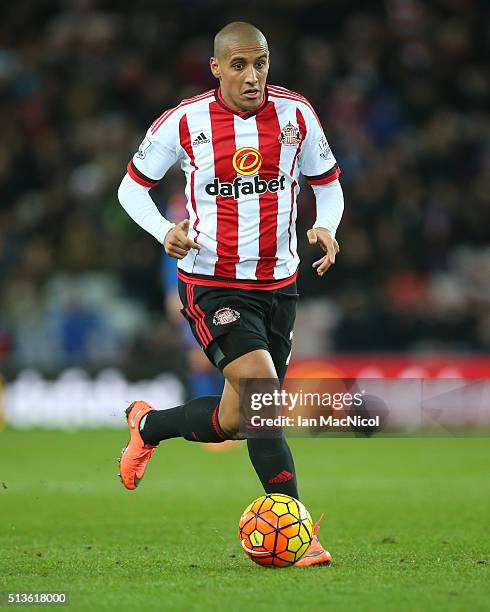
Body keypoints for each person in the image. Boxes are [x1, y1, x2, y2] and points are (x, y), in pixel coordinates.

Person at [117, 21, 343, 567]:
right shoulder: (184, 121)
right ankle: (294, 525)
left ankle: (149, 426)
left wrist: (328, 226)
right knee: (264, 396)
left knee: (239, 418)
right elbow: (131, 188)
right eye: (239, 65)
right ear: (216, 67)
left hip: (279, 284)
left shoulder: (296, 114)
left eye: (261, 63)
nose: (252, 75)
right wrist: (162, 231)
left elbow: (327, 184)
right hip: (210, 280)